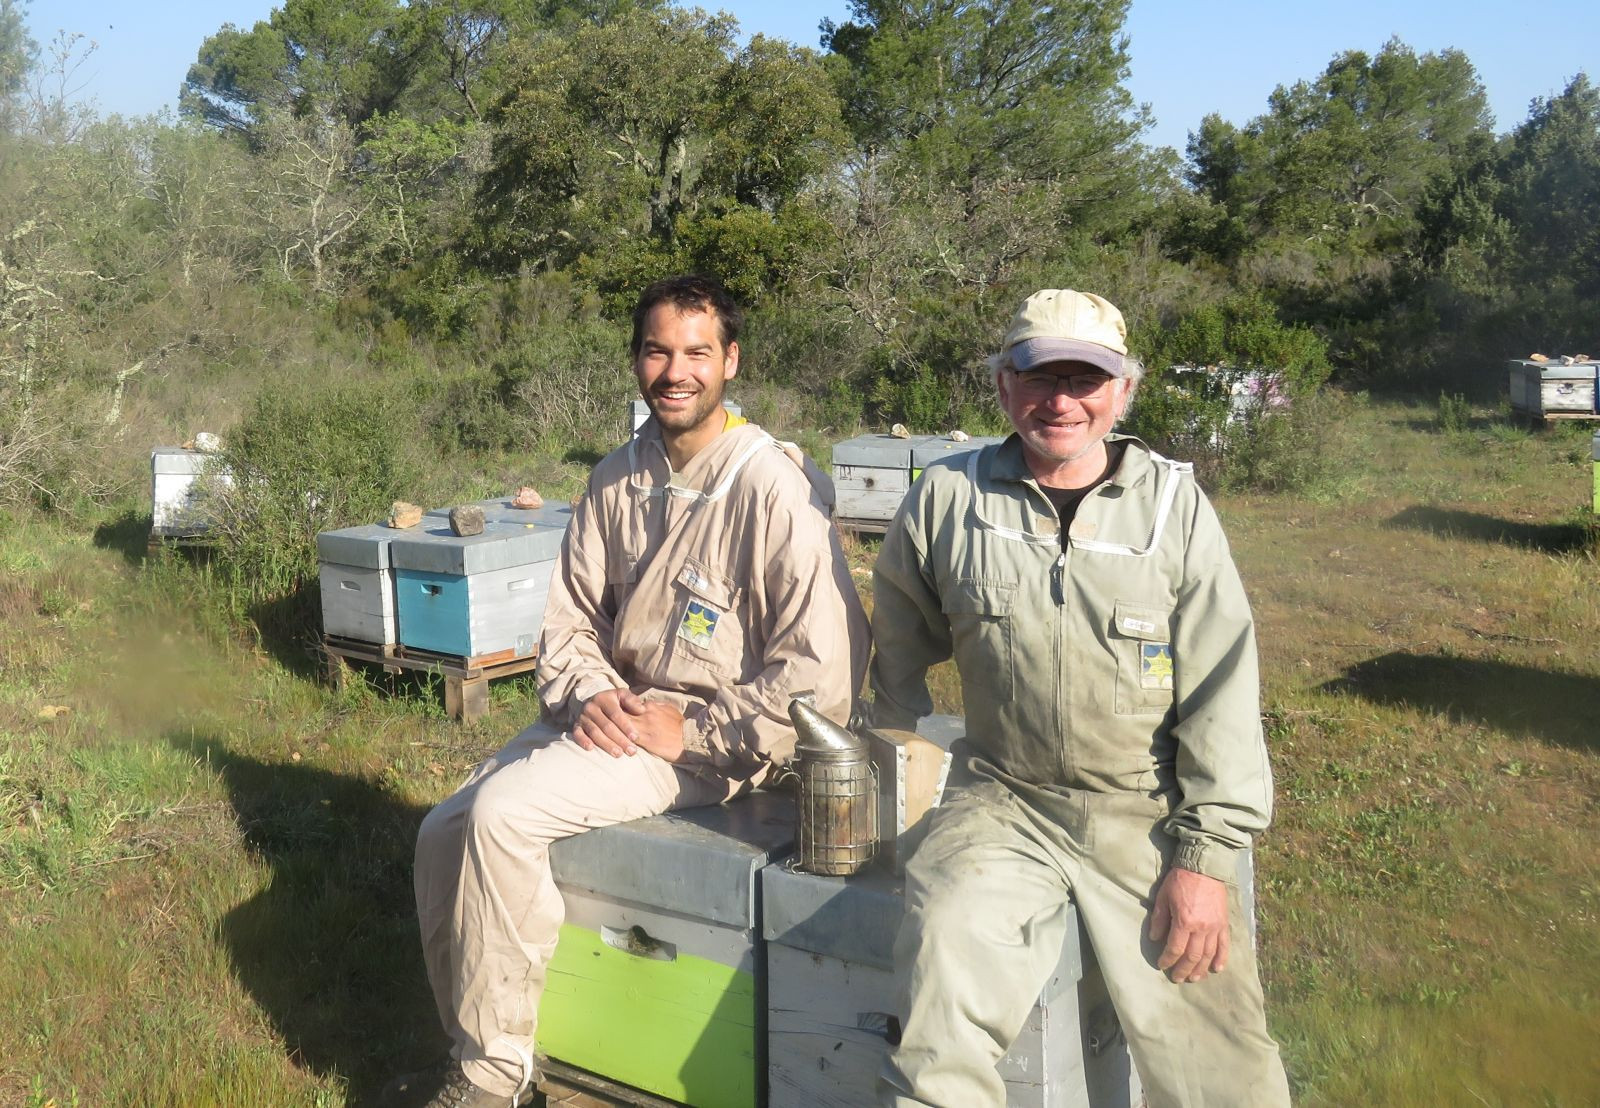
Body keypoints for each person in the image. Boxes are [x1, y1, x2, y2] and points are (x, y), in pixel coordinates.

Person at [387, 275, 869, 1108]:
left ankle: (490, 1079)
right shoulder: (617, 476)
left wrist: (694, 734)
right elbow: (567, 624)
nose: (674, 371)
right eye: (657, 351)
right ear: (636, 360)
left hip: (709, 743)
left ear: (731, 362)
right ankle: (488, 1042)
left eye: (696, 353)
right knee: (442, 830)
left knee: (502, 818)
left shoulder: (769, 487)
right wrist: (587, 698)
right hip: (607, 715)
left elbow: (819, 671)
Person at [871, 289, 1291, 1106]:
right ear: (1002, 387)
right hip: (1003, 802)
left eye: (1085, 379)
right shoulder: (947, 500)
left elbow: (1222, 690)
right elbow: (895, 655)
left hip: (1147, 813)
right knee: (939, 991)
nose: (1060, 401)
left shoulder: (1175, 509)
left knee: (1220, 1066)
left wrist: (1204, 861)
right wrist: (879, 785)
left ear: (1123, 392)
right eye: (1037, 376)